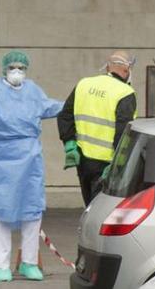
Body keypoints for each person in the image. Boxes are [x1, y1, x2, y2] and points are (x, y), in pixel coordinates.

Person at [0, 51, 63, 282]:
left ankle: (29, 262)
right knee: (1, 212)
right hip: (1, 159)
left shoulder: (33, 90)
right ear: (4, 68)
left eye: (21, 67)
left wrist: (71, 105)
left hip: (30, 159)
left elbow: (47, 106)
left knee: (32, 212)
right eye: (13, 67)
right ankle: (1, 265)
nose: (17, 71)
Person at [57, 51, 138, 205]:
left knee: (90, 208)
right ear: (127, 70)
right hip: (107, 165)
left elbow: (65, 116)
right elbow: (122, 132)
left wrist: (69, 145)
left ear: (108, 67)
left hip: (83, 160)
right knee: (102, 213)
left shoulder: (84, 84)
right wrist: (119, 164)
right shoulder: (125, 93)